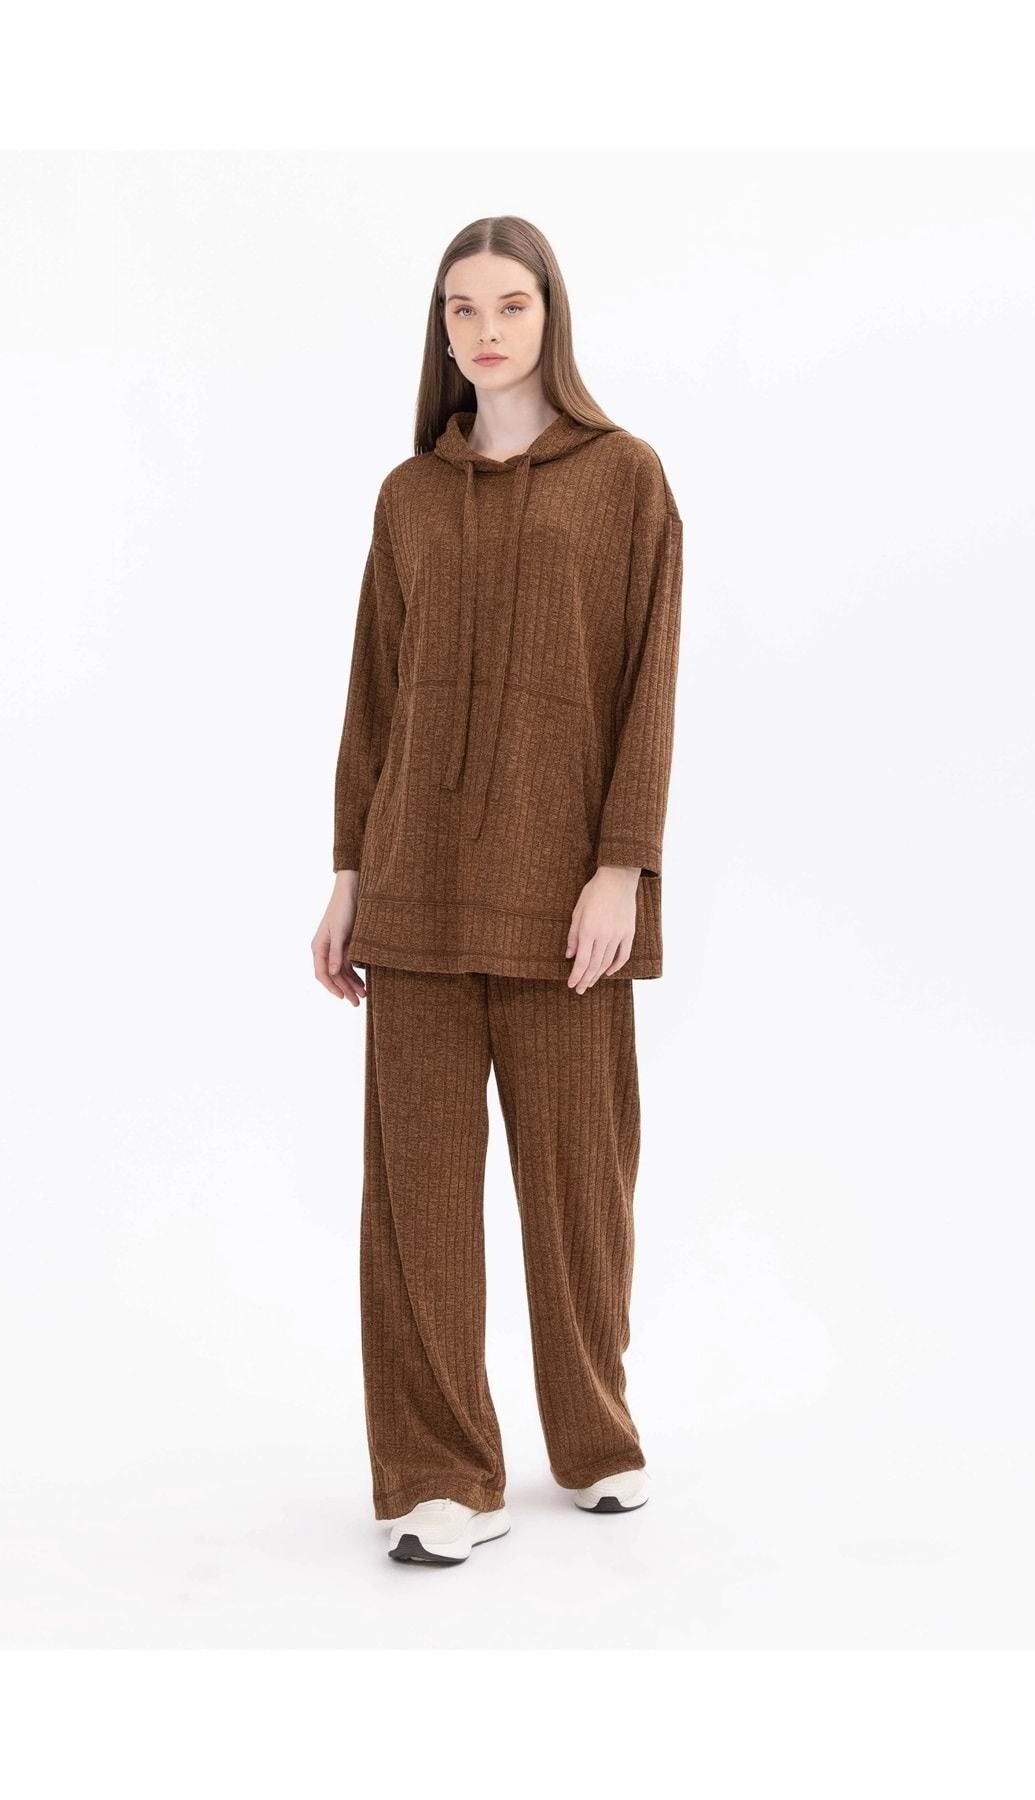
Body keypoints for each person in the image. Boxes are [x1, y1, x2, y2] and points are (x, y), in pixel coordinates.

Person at [312, 215, 684, 1567]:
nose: (485, 329)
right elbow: (374, 694)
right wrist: (348, 875)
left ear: (550, 314)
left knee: (580, 1184)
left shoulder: (627, 480)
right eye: (461, 307)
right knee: (416, 1198)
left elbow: (648, 683)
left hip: (562, 900)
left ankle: (594, 1434)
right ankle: (440, 1474)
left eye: (510, 303)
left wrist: (621, 868)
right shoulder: (409, 494)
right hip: (412, 892)